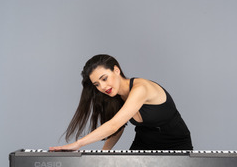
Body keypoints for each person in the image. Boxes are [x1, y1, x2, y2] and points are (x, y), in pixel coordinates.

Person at [50, 54, 193, 151]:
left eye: (104, 78)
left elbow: (113, 125)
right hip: (144, 143)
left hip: (176, 144)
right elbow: (118, 128)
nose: (102, 87)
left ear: (116, 70)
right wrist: (103, 154)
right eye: (97, 84)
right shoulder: (115, 95)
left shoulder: (141, 89)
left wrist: (78, 144)